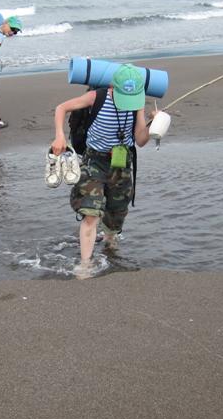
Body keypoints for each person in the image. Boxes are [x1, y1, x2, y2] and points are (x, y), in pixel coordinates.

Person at [51, 64, 152, 270]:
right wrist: (59, 136)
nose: (127, 103)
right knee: (91, 211)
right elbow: (61, 108)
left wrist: (155, 126)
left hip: (121, 164)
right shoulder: (96, 97)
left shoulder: (136, 103)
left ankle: (109, 245)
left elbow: (141, 141)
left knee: (116, 213)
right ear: (112, 88)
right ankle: (85, 264)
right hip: (94, 161)